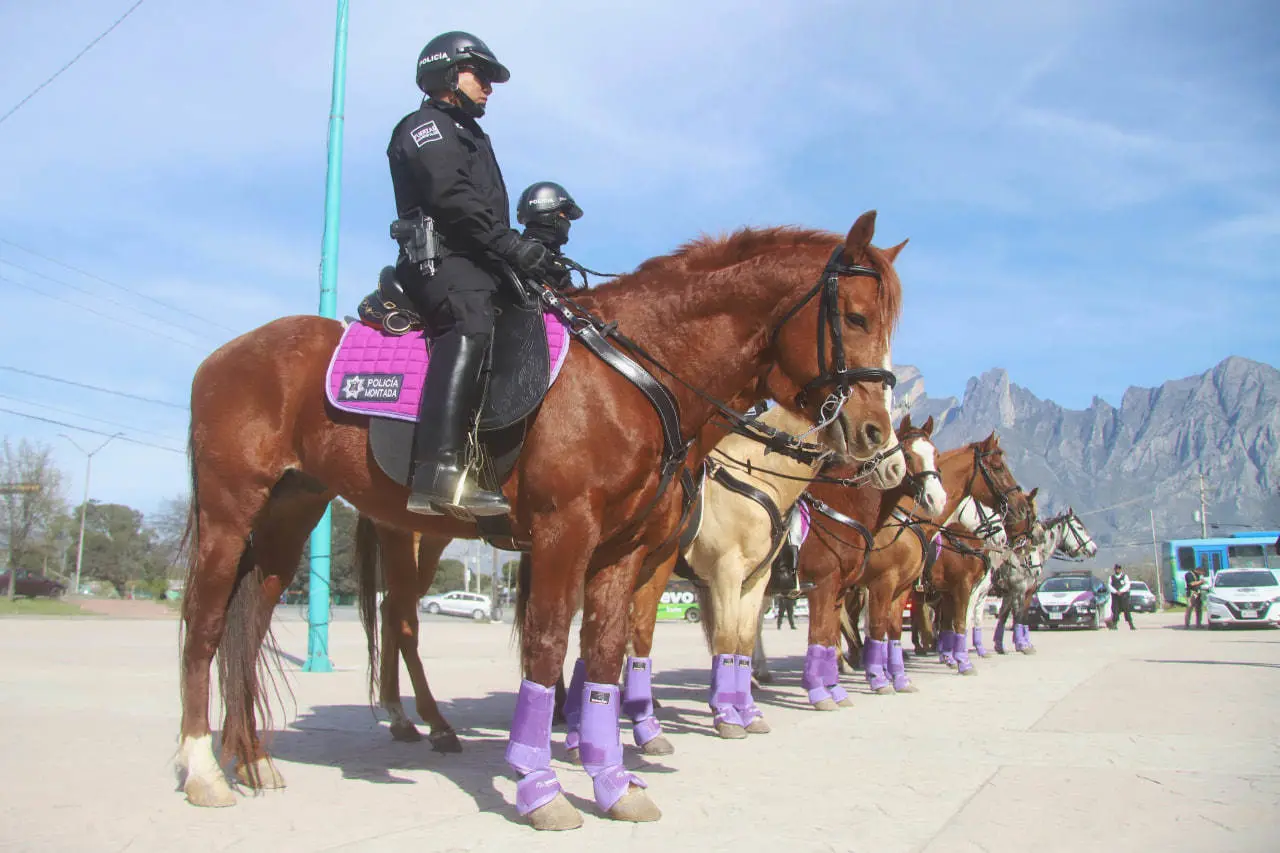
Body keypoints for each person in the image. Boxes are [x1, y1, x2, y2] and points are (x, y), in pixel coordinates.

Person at [387, 31, 553, 516]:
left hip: (477, 261)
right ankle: (436, 470)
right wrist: (509, 245)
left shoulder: (473, 136)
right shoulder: (426, 127)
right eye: (479, 74)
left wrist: (523, 260)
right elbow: (451, 198)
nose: (489, 86)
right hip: (439, 264)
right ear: (446, 74)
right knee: (470, 322)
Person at [516, 181, 583, 291]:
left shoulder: (555, 263)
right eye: (564, 214)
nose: (567, 220)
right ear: (547, 210)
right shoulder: (520, 258)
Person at [1107, 564, 1136, 630]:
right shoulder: (1111, 577)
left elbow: (1127, 585)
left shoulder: (1125, 576)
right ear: (1114, 569)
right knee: (1115, 611)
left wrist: (1121, 591)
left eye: (1119, 569)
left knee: (1127, 610)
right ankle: (1114, 625)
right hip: (1115, 597)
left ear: (1120, 569)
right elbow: (1109, 586)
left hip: (1124, 597)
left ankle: (1131, 625)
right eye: (1116, 569)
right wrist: (1115, 591)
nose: (1117, 570)